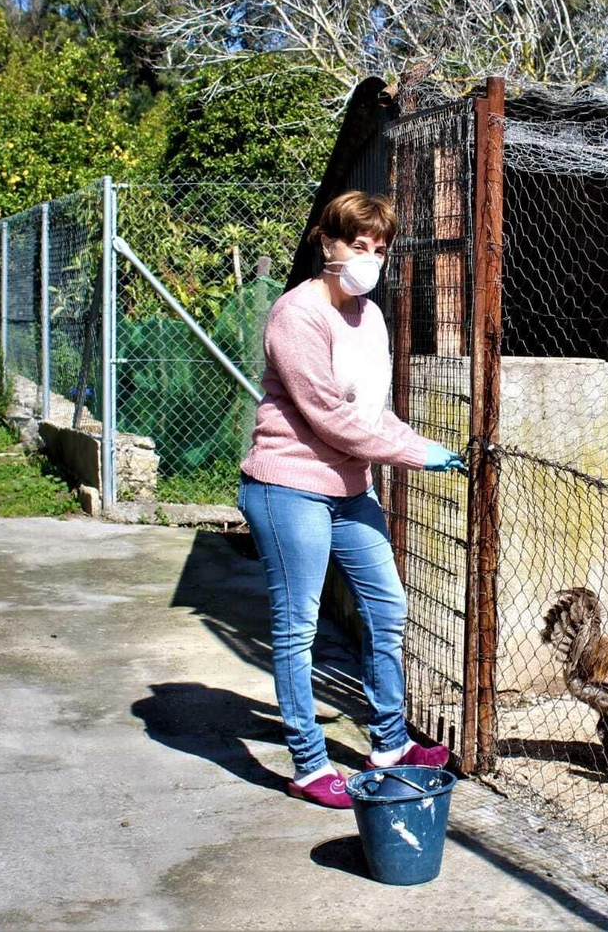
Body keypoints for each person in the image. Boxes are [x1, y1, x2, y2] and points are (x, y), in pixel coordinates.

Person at [237, 190, 467, 808]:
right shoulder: (298, 315)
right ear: (327, 244)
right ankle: (309, 765)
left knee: (388, 610)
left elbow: (371, 410)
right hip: (289, 487)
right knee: (296, 630)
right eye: (357, 245)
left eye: (380, 249)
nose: (369, 258)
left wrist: (416, 440)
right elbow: (329, 418)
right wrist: (417, 453)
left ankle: (389, 743)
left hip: (350, 488)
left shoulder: (369, 316)